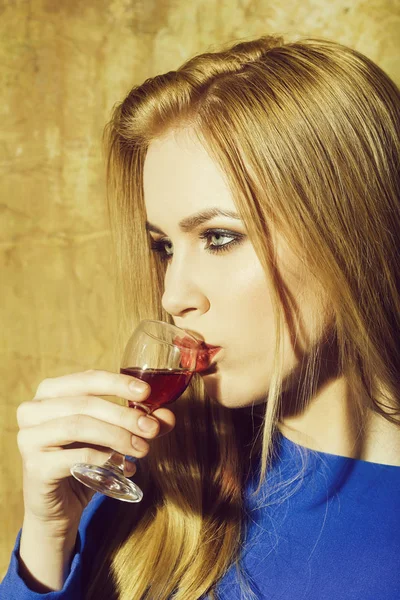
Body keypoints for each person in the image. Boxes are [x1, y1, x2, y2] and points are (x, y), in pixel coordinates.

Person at [1, 34, 400, 600]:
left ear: (349, 232)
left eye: (219, 237)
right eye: (164, 246)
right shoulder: (156, 487)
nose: (172, 295)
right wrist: (48, 539)